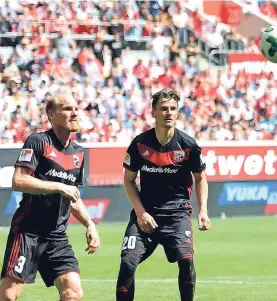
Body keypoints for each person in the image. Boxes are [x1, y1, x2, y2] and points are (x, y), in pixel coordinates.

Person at [0, 93, 100, 301]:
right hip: (27, 231)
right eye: (67, 109)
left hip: (57, 236)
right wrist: (59, 187)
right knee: (8, 295)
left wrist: (89, 224)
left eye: (76, 108)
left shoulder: (78, 153)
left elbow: (73, 195)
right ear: (51, 115)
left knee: (73, 293)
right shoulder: (38, 141)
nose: (74, 113)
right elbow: (19, 181)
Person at [116, 88, 211, 301]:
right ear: (153, 112)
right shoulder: (139, 144)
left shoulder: (189, 145)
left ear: (178, 112)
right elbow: (129, 181)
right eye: (163, 108)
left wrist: (203, 210)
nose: (168, 112)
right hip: (146, 214)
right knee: (127, 263)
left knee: (186, 260)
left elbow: (201, 177)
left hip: (177, 215)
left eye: (172, 109)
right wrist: (140, 213)